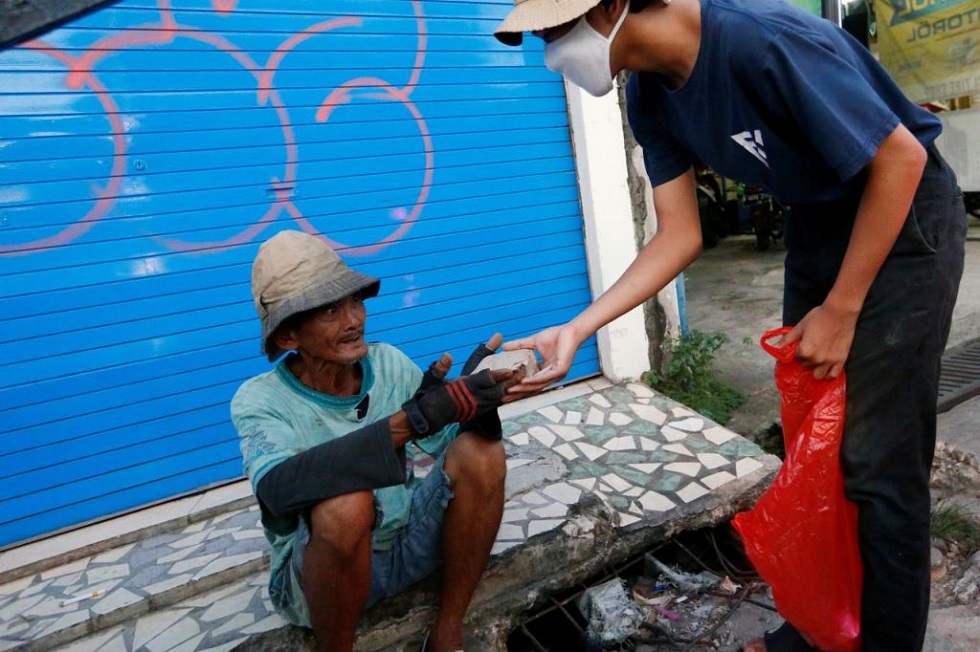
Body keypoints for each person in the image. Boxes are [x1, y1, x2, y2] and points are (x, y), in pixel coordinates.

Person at [493, 0, 967, 650]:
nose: (550, 55)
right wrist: (581, 327)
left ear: (609, 9)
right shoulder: (651, 101)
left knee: (879, 464)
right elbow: (679, 234)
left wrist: (844, 306)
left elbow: (901, 160)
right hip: (820, 226)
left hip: (903, 216)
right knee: (811, 448)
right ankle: (818, 624)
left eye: (554, 32)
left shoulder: (762, 42)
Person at [231, 230, 526, 652]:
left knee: (482, 453)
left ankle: (447, 631)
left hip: (405, 543)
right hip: (321, 581)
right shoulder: (260, 399)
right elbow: (278, 490)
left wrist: (473, 403)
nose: (354, 320)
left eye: (355, 301)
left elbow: (446, 444)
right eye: (330, 309)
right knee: (346, 503)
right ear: (288, 336)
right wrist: (412, 421)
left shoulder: (385, 361)